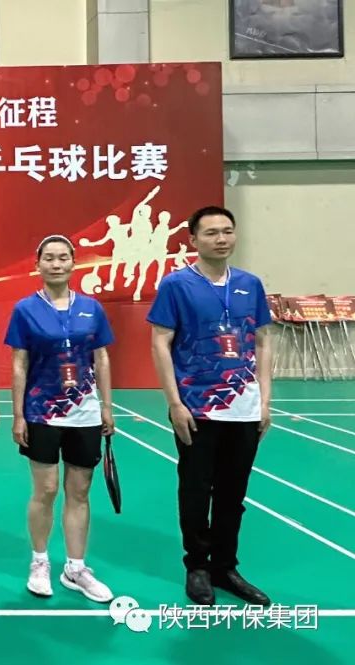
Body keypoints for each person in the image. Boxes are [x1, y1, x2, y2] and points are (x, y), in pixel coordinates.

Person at [148, 205, 273, 607]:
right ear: (193, 240)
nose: (221, 239)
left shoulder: (250, 284)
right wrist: (174, 403)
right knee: (196, 489)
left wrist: (265, 400)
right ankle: (197, 566)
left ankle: (225, 566)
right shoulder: (176, 285)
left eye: (227, 231)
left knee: (234, 492)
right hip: (197, 407)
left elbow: (263, 341)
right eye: (211, 233)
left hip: (245, 408)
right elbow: (160, 343)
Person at [5, 235, 116, 603]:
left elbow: (101, 358)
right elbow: (19, 364)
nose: (56, 264)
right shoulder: (25, 309)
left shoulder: (91, 308)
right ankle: (39, 562)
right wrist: (18, 414)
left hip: (84, 413)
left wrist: (106, 406)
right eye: (49, 258)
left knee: (79, 491)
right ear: (38, 264)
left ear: (73, 262)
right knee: (47, 489)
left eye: (63, 257)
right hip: (42, 412)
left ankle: (76, 568)